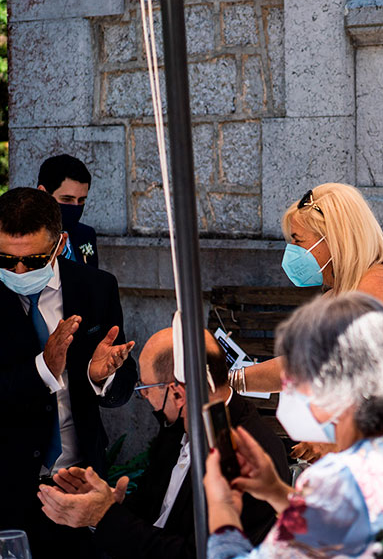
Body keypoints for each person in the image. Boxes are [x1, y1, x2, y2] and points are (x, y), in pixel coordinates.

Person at [203, 293, 383, 559]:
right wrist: (275, 490)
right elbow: (342, 524)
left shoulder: (337, 478)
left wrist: (222, 508)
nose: (288, 388)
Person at [38, 328, 288, 558]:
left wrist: (104, 517)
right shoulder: (178, 425)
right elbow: (155, 504)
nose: (144, 396)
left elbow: (194, 554)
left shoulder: (251, 457)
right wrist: (108, 503)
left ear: (177, 393)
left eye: (146, 388)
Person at [0, 187, 136, 558]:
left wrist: (100, 377)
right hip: (6, 492)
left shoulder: (96, 287)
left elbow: (123, 385)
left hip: (79, 485)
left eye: (33, 259)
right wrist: (44, 368)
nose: (19, 270)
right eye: (6, 259)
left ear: (60, 244)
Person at [233, 183, 383, 391]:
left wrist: (233, 380)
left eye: (298, 241)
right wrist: (233, 380)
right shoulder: (344, 293)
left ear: (333, 240)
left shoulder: (378, 292)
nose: (292, 251)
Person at [38, 155, 99, 268]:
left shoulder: (85, 234)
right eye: (67, 199)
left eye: (81, 200)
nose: (75, 206)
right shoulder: (21, 236)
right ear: (43, 193)